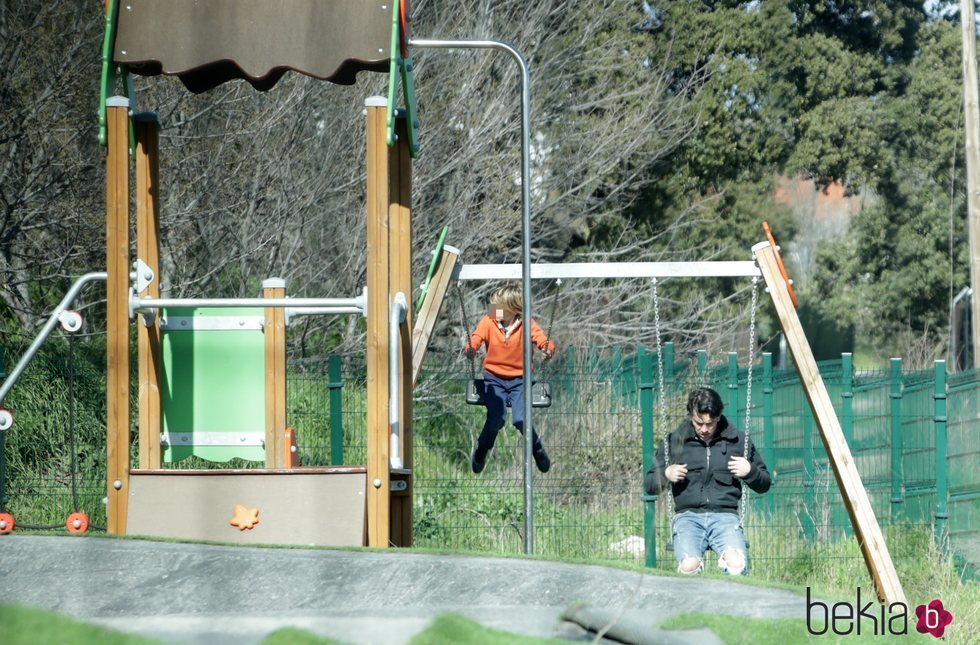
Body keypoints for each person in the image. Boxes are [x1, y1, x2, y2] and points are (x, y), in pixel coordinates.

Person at [644, 387, 771, 575]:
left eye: (709, 424)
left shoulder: (738, 441)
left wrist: (750, 471)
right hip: (688, 518)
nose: (704, 429)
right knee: (689, 566)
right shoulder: (675, 442)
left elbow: (765, 484)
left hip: (725, 518)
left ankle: (735, 603)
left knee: (737, 565)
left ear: (718, 417)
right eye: (698, 423)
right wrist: (666, 474)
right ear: (690, 416)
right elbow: (648, 485)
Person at [464, 282, 555, 474]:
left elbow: (541, 339)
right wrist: (471, 348)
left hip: (520, 381)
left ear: (513, 309)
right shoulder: (489, 321)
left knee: (520, 419)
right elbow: (476, 337)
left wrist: (547, 349)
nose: (493, 309)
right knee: (496, 418)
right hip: (494, 379)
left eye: (498, 306)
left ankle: (537, 449)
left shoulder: (527, 323)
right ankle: (481, 449)